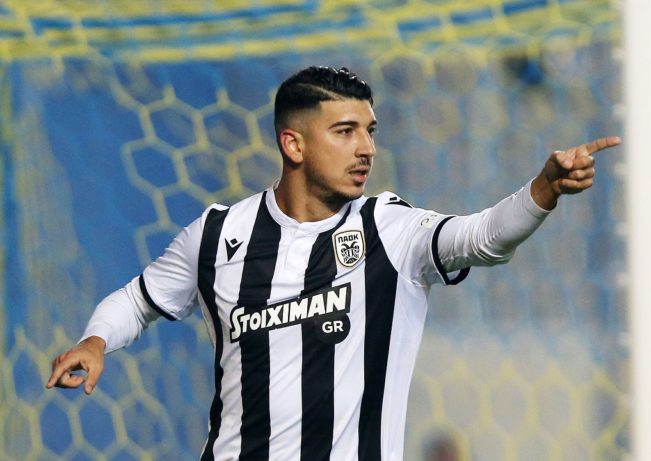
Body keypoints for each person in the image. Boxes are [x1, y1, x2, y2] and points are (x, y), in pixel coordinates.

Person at [47, 66, 620, 460]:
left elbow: (483, 238)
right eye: (345, 132)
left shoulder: (388, 229)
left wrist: (544, 189)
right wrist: (95, 341)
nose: (366, 148)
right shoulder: (219, 234)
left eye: (369, 131)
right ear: (293, 145)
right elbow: (138, 300)